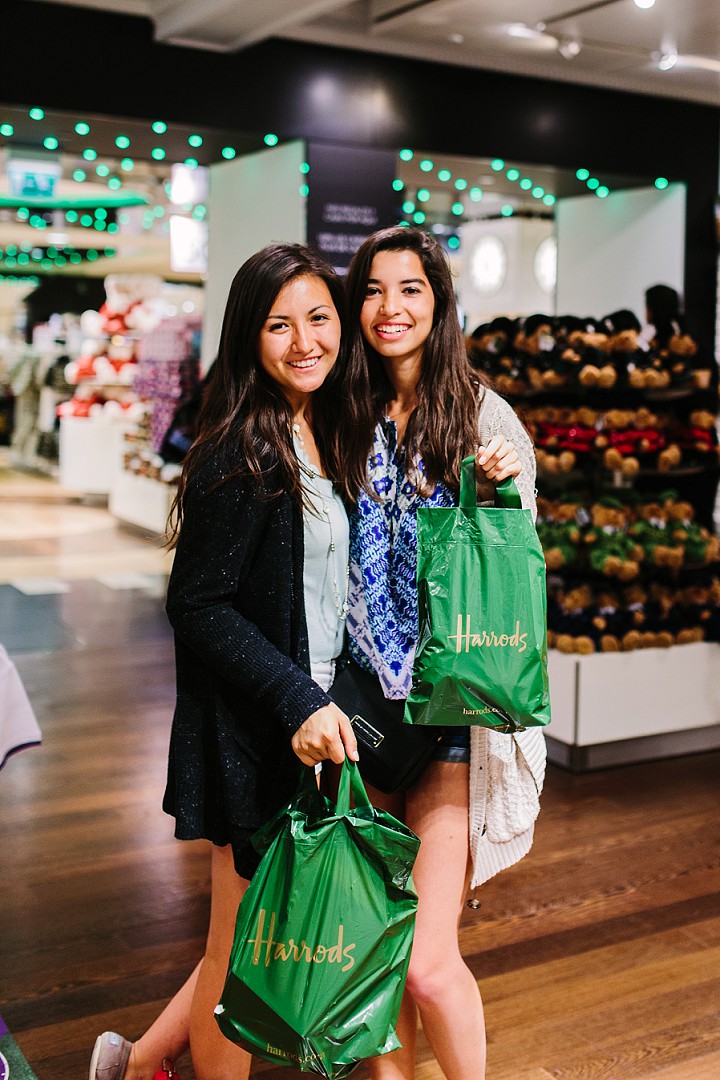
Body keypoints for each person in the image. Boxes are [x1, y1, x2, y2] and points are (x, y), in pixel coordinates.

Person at [89, 241, 367, 1080]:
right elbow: (197, 606)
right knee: (234, 958)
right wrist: (297, 701)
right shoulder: (239, 448)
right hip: (257, 734)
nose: (305, 340)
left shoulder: (323, 429)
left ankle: (138, 1065)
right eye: (280, 325)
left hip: (311, 724)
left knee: (254, 943)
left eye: (319, 318)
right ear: (250, 337)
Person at [341, 225, 547, 1080]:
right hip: (353, 701)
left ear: (439, 301)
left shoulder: (481, 411)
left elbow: (518, 558)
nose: (392, 309)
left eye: (411, 289)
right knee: (375, 959)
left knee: (427, 960)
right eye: (375, 290)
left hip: (448, 707)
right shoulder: (337, 409)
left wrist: (500, 491)